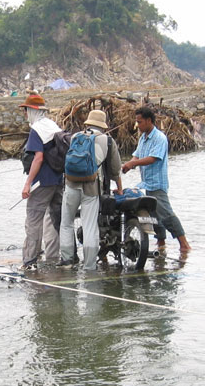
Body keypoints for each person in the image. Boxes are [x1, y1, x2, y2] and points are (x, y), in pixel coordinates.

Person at [59, 109, 123, 270]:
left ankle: (67, 261)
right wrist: (120, 188)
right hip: (91, 187)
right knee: (90, 226)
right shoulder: (108, 141)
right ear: (103, 125)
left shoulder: (75, 136)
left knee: (66, 223)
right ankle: (89, 265)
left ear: (88, 123)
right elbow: (115, 170)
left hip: (71, 184)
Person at [121, 106, 192, 253]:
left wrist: (133, 163)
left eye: (140, 122)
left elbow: (153, 158)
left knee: (166, 214)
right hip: (146, 183)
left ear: (148, 121)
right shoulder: (143, 138)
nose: (138, 125)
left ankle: (184, 245)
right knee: (154, 216)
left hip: (157, 183)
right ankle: (161, 243)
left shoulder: (159, 138)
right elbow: (137, 155)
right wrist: (129, 164)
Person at [19, 92, 63, 269]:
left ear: (31, 110)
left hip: (41, 183)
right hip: (58, 180)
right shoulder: (54, 126)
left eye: (26, 110)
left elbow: (38, 158)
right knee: (56, 220)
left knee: (33, 221)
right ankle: (55, 257)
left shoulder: (36, 129)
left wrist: (27, 184)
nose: (25, 114)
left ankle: (30, 261)